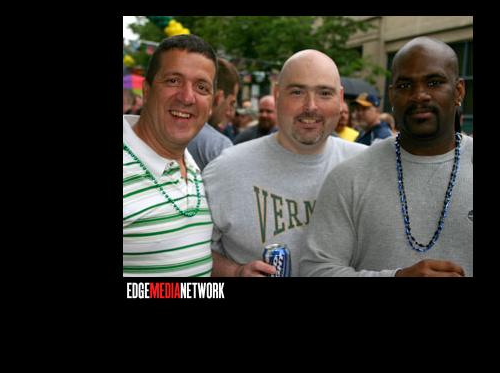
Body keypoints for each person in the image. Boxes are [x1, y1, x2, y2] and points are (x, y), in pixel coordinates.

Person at [301, 36, 473, 277]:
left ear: (458, 91)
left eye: (434, 82)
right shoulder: (349, 177)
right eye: (405, 85)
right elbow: (315, 270)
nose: (419, 95)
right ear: (391, 96)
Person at [202, 49, 367, 276]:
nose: (311, 106)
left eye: (324, 93)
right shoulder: (225, 170)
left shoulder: (367, 167)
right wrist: (236, 272)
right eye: (297, 92)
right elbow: (192, 252)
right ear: (277, 94)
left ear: (340, 99)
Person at [123, 34, 218, 277]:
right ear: (147, 90)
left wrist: (236, 272)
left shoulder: (192, 165)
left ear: (211, 104)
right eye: (173, 80)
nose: (187, 97)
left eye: (202, 87)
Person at [187, 58, 240, 171]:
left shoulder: (163, 129)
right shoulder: (219, 146)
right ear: (218, 98)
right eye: (231, 103)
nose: (230, 112)